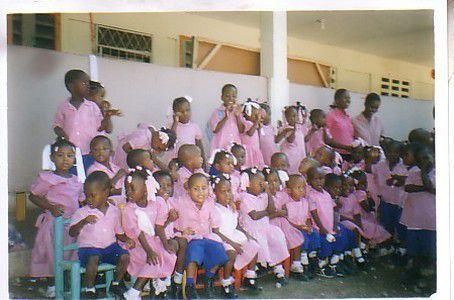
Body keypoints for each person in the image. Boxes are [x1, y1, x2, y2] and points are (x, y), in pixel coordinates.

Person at [28, 138, 84, 298]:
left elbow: (80, 198)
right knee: (51, 254)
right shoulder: (47, 178)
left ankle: (66, 280)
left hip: (70, 224)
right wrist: (50, 207)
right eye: (60, 155)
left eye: (69, 156)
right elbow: (33, 196)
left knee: (70, 254)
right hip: (53, 224)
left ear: (74, 159)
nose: (65, 159)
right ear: (53, 158)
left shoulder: (76, 181)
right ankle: (52, 283)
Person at [69, 171, 133, 298]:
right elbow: (72, 232)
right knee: (94, 257)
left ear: (105, 192)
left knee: (125, 256)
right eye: (86, 195)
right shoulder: (82, 212)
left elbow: (118, 232)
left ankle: (116, 283)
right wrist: (83, 222)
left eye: (93, 195)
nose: (88, 199)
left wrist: (127, 239)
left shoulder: (114, 211)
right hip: (88, 249)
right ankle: (90, 289)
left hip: (109, 248)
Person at [121, 169, 177, 299]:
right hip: (136, 244)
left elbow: (159, 226)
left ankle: (160, 280)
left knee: (168, 251)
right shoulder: (130, 209)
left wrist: (165, 243)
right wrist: (149, 251)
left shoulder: (157, 203)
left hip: (152, 240)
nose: (128, 192)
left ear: (145, 190)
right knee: (155, 257)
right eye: (126, 189)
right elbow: (138, 234)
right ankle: (134, 292)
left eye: (132, 189)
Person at [173, 173, 229, 299]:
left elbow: (215, 223)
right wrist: (179, 229)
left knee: (220, 252)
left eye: (204, 188)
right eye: (196, 189)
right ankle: (190, 285)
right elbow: (168, 211)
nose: (200, 192)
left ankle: (208, 280)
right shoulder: (181, 201)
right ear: (188, 189)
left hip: (207, 236)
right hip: (191, 238)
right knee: (194, 253)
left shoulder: (209, 202)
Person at [237, 168, 290, 288]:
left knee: (277, 236)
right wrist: (266, 212)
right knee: (258, 240)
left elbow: (271, 209)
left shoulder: (264, 195)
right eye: (259, 183)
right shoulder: (245, 198)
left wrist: (268, 193)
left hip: (265, 227)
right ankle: (251, 275)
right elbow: (254, 216)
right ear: (248, 185)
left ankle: (278, 270)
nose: (262, 185)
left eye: (263, 183)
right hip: (251, 229)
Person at [211, 175, 261, 297]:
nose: (227, 195)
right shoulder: (214, 209)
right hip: (221, 238)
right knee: (231, 253)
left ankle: (249, 276)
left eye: (229, 191)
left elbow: (236, 225)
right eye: (223, 192)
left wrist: (247, 235)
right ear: (214, 193)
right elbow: (216, 231)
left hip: (233, 234)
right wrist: (233, 244)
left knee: (254, 245)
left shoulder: (231, 207)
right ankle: (226, 283)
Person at [53, 70, 112, 168]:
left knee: (90, 175)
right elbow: (57, 125)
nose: (88, 85)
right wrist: (63, 136)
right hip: (72, 154)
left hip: (91, 153)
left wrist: (107, 117)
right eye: (84, 83)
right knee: (75, 178)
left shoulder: (92, 106)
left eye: (88, 83)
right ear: (71, 86)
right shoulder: (63, 107)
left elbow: (103, 128)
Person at [400, 147, 436, 290]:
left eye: (427, 158)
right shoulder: (413, 172)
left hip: (431, 221)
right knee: (414, 251)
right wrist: (426, 187)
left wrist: (424, 177)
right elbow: (408, 188)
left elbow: (433, 188)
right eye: (421, 159)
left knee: (430, 252)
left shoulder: (437, 173)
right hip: (414, 219)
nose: (424, 162)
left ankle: (429, 278)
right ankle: (413, 275)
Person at [153, 170, 187, 298]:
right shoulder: (155, 202)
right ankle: (163, 282)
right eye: (161, 186)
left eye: (168, 185)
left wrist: (180, 230)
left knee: (183, 241)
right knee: (172, 247)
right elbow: (156, 228)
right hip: (157, 238)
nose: (166, 188)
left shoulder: (170, 201)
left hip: (169, 235)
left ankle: (177, 279)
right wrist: (169, 220)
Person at [269, 174, 311, 281]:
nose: (273, 184)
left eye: (276, 181)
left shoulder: (282, 195)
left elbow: (286, 210)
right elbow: (267, 214)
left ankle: (296, 265)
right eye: (269, 182)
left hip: (283, 222)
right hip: (270, 223)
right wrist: (278, 213)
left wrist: (283, 213)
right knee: (277, 239)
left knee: (295, 235)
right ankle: (278, 268)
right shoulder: (264, 196)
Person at [373, 140, 408, 254]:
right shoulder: (380, 166)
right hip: (386, 201)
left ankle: (402, 246)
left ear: (401, 153)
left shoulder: (405, 167)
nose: (392, 154)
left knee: (401, 225)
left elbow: (408, 181)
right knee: (386, 224)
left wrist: (401, 181)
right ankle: (387, 245)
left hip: (400, 203)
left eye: (396, 152)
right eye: (389, 151)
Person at [86, 135, 126, 206]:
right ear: (90, 153)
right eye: (96, 149)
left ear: (111, 152)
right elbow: (104, 191)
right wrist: (117, 177)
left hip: (123, 200)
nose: (100, 152)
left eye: (104, 149)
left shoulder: (116, 168)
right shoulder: (93, 170)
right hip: (107, 203)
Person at [170, 97, 206, 165]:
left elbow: (199, 145)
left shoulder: (194, 126)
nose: (185, 113)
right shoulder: (171, 126)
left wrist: (204, 162)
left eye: (187, 110)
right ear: (175, 113)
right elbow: (170, 139)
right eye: (181, 111)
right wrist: (175, 123)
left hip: (192, 161)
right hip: (176, 161)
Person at [208, 84, 245, 152]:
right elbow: (215, 130)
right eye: (228, 96)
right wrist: (226, 117)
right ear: (222, 97)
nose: (231, 98)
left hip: (235, 147)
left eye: (234, 96)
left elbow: (241, 130)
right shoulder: (217, 112)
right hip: (221, 146)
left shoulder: (238, 112)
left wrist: (237, 117)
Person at [276, 105, 308, 173]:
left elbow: (304, 138)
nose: (295, 118)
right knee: (292, 171)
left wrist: (304, 118)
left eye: (296, 115)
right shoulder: (287, 128)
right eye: (292, 116)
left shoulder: (299, 126)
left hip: (299, 154)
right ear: (287, 118)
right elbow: (290, 140)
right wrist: (293, 130)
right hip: (291, 155)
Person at [325, 89, 355, 160]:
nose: (348, 100)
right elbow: (327, 139)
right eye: (345, 98)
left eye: (349, 98)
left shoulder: (348, 116)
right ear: (337, 100)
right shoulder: (331, 116)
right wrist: (344, 147)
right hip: (336, 155)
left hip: (349, 154)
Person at [240, 99, 265, 169]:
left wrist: (259, 128)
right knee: (249, 166)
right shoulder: (246, 123)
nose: (257, 117)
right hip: (249, 150)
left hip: (255, 148)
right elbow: (250, 133)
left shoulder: (254, 124)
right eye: (255, 115)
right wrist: (257, 122)